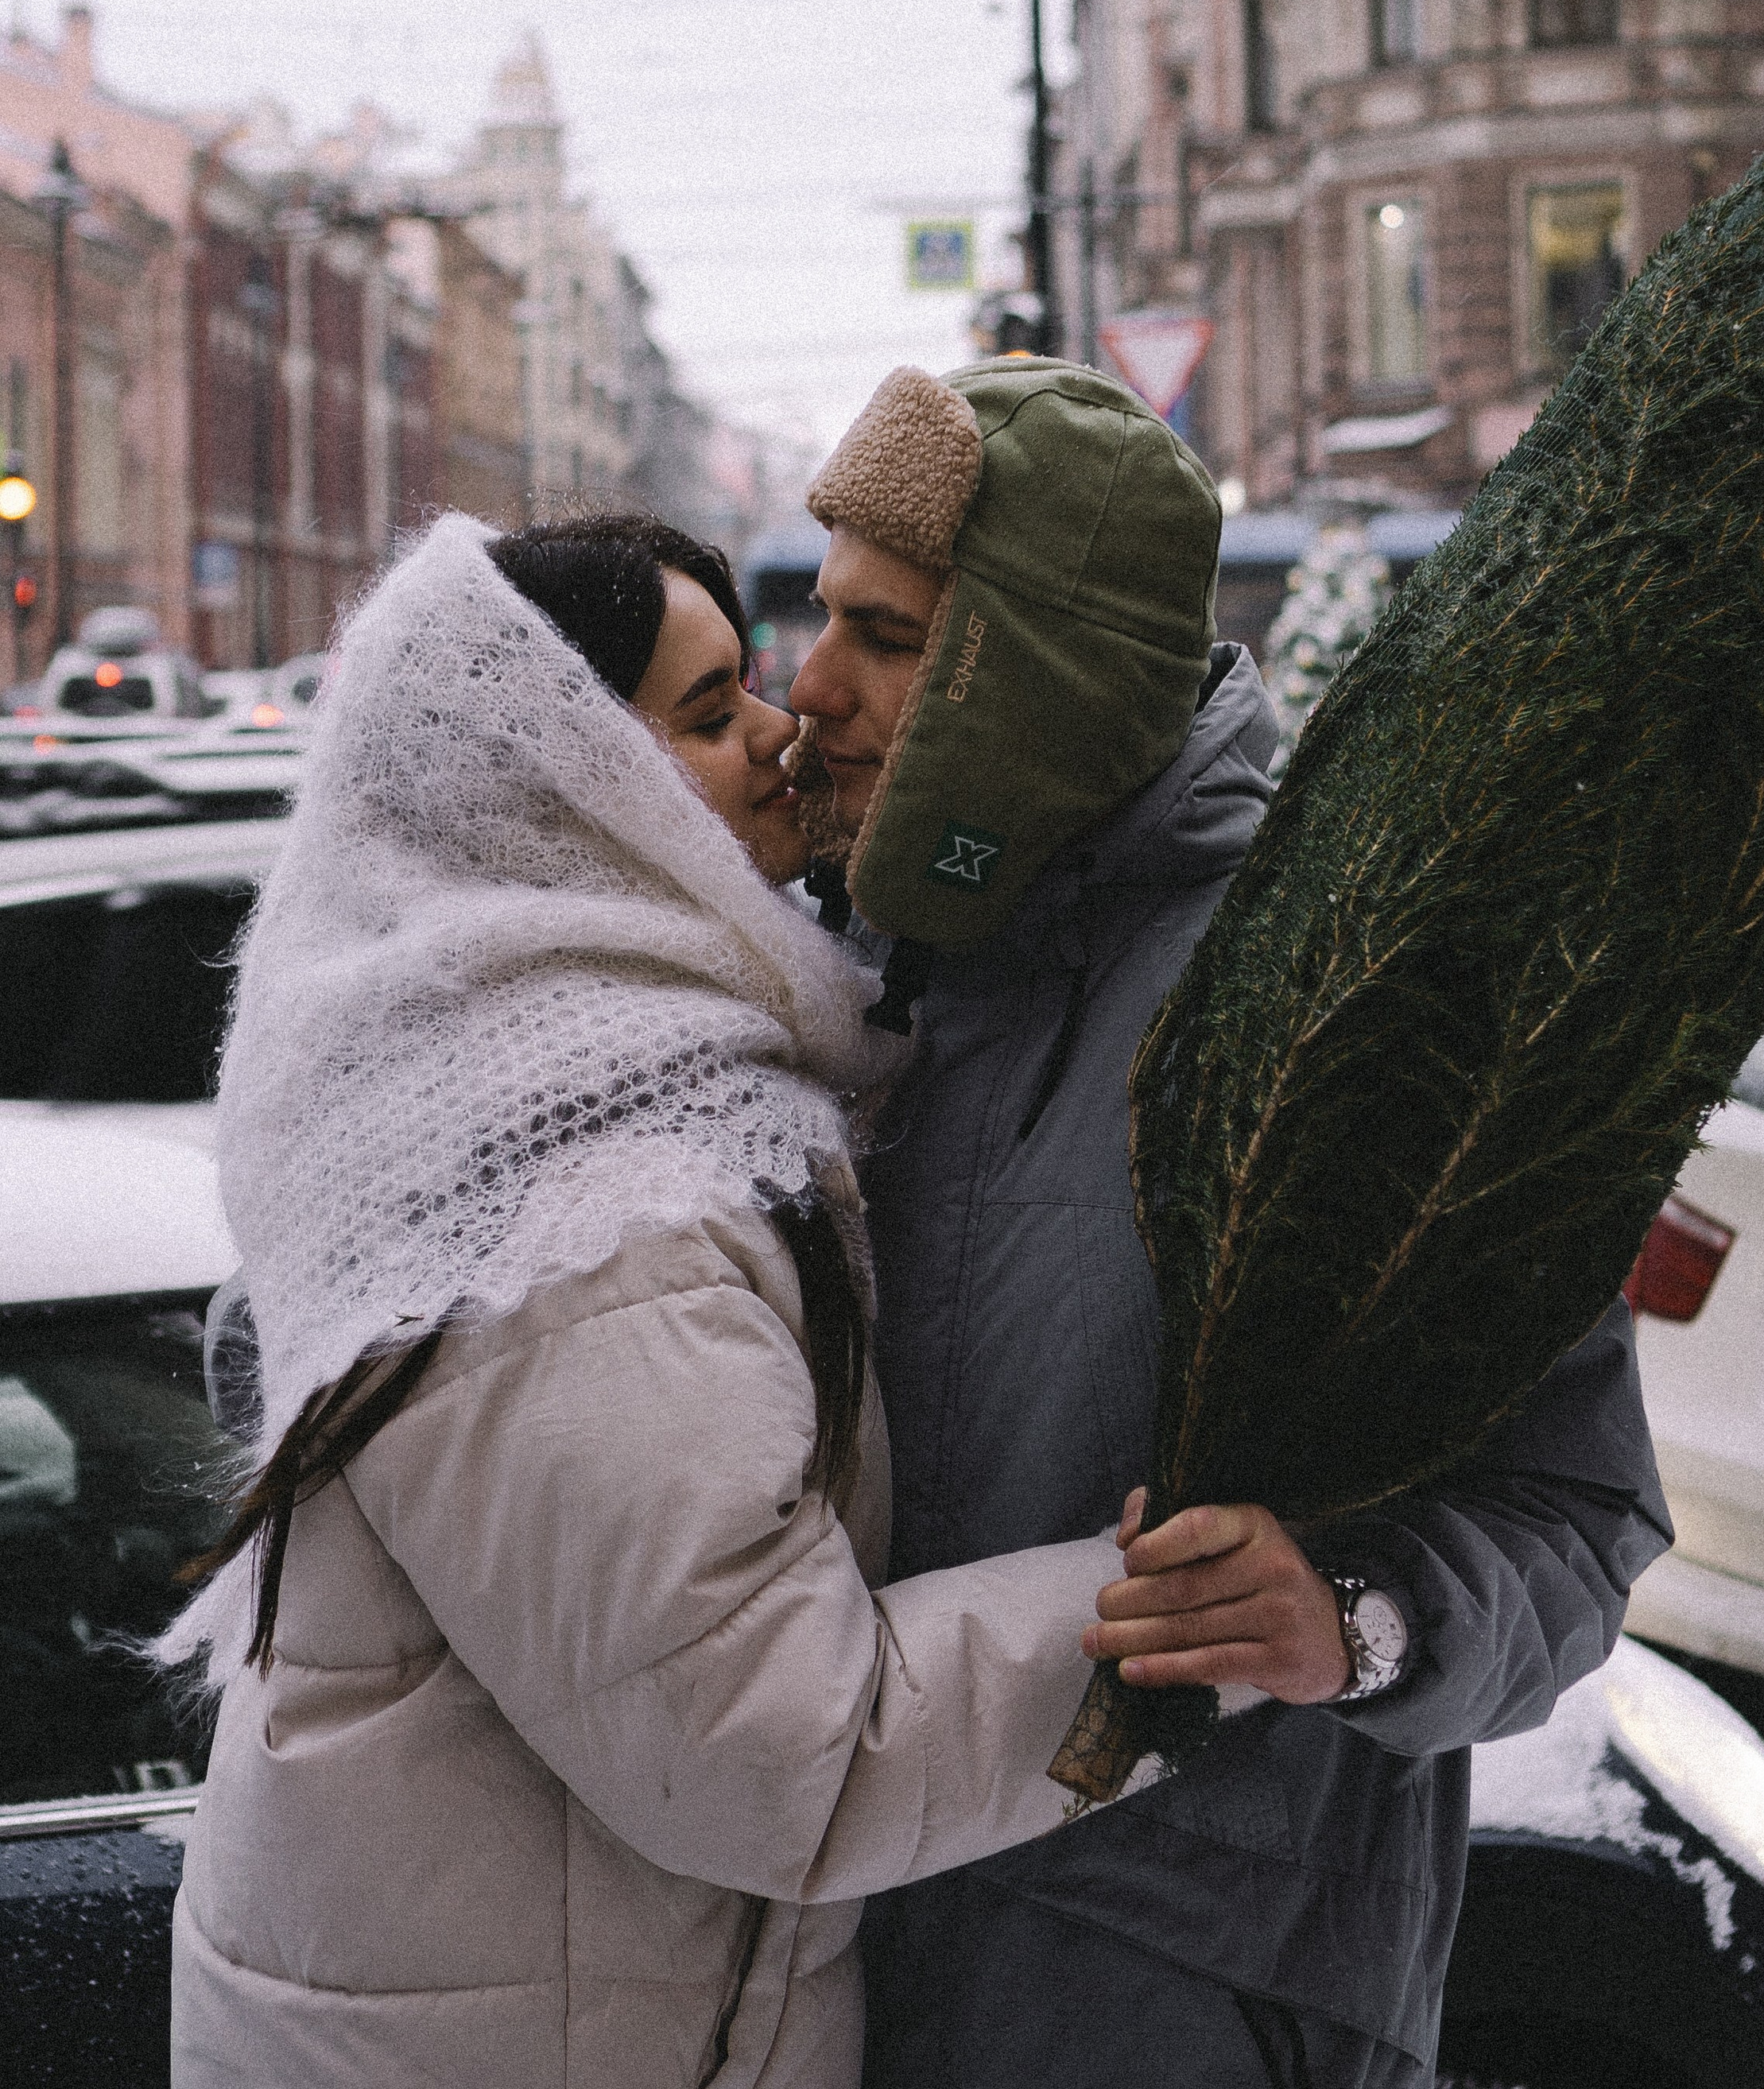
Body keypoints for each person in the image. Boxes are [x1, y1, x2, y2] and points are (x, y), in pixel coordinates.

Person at [167, 509, 1316, 2089]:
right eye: (710, 716)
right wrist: (1197, 1631)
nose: (787, 731)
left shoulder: (586, 1059)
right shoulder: (577, 1197)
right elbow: (780, 1756)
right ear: (570, 794)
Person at [785, 361, 1674, 2089]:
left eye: (886, 639)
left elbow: (1576, 1508)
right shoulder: (863, 967)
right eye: (827, 623)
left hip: (1180, 1985)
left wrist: (1351, 1617)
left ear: (1031, 672)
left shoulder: (1349, 997)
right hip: (836, 1973)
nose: (809, 688)